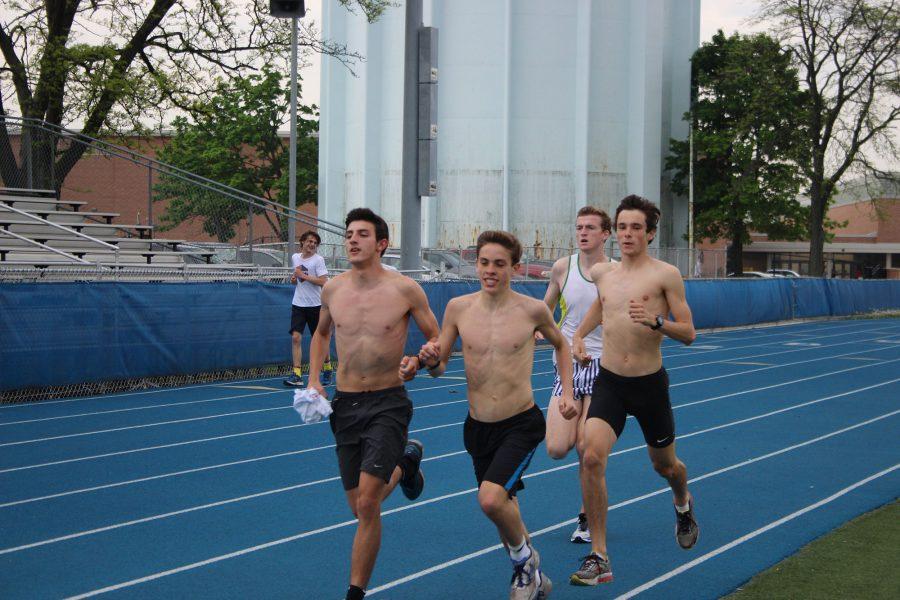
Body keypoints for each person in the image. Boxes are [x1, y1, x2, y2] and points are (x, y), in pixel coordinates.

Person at [415, 230, 575, 599]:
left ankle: (525, 564)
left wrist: (566, 393)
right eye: (484, 262)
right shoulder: (458, 307)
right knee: (504, 509)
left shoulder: (532, 310)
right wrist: (427, 360)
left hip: (520, 423)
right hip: (477, 428)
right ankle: (534, 580)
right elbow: (439, 367)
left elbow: (562, 346)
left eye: (499, 264)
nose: (490, 270)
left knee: (490, 499)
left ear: (515, 268)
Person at [306, 208, 441, 600]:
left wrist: (420, 361)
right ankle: (407, 461)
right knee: (358, 506)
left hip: (388, 402)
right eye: (349, 233)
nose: (352, 240)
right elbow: (320, 335)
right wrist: (315, 380)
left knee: (368, 504)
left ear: (381, 244)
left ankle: (355, 593)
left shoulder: (405, 290)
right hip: (345, 403)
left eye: (362, 234)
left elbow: (437, 342)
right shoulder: (332, 290)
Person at [569, 195, 699, 586]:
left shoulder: (665, 275)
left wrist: (658, 321)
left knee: (665, 466)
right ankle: (599, 556)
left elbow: (689, 333)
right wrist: (578, 335)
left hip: (648, 386)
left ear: (650, 233)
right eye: (622, 227)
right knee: (590, 455)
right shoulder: (603, 273)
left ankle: (682, 502)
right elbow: (602, 307)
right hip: (609, 381)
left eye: (635, 227)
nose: (627, 234)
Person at [541, 206, 615, 544]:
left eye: (590, 228)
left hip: (603, 366)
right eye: (579, 227)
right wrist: (537, 330)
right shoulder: (562, 268)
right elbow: (545, 309)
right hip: (568, 365)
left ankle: (586, 518)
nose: (583, 232)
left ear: (605, 234)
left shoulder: (615, 272)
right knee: (557, 447)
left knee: (589, 450)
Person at [284, 230, 333, 387]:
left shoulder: (318, 260)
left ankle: (327, 368)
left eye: (315, 243)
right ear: (302, 242)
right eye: (309, 241)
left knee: (319, 340)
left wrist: (302, 276)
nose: (311, 244)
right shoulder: (295, 258)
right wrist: (294, 279)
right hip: (298, 304)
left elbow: (323, 281)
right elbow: (297, 280)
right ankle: (297, 374)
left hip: (316, 305)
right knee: (296, 337)